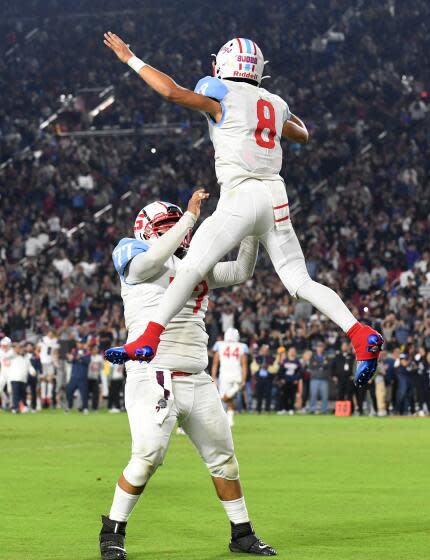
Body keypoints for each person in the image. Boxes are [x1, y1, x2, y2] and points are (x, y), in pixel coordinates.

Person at [103, 32, 383, 386]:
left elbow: (172, 91)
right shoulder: (274, 102)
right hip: (276, 197)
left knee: (191, 266)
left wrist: (131, 58)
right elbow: (302, 134)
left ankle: (149, 337)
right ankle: (359, 334)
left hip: (242, 193)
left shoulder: (217, 89)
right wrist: (270, 104)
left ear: (223, 65)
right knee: (300, 281)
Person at [99, 190, 275, 560]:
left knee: (224, 460)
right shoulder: (132, 252)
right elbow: (149, 265)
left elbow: (241, 271)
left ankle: (241, 533)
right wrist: (189, 219)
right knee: (148, 455)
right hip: (153, 372)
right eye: (165, 227)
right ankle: (113, 531)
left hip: (196, 375)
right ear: (147, 230)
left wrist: (252, 233)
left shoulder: (195, 263)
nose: (178, 235)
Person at [211, 328, 249, 427]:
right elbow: (244, 365)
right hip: (237, 376)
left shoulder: (219, 345)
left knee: (225, 398)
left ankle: (219, 409)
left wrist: (213, 376)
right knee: (230, 398)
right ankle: (230, 419)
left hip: (224, 375)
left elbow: (215, 363)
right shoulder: (242, 346)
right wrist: (244, 379)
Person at [8, 343, 35, 413]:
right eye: (20, 349)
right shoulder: (14, 355)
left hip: (23, 379)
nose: (21, 350)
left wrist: (33, 372)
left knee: (23, 394)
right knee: (15, 394)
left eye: (22, 349)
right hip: (15, 378)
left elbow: (30, 366)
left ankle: (24, 407)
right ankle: (15, 408)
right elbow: (9, 353)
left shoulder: (26, 357)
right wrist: (15, 347)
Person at [66, 339, 90, 413]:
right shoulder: (74, 351)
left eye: (80, 343)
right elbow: (70, 360)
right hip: (74, 377)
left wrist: (80, 358)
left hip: (82, 377)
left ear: (83, 344)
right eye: (78, 343)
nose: (78, 345)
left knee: (84, 394)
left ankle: (85, 408)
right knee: (69, 391)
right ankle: (69, 407)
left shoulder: (87, 352)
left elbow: (87, 361)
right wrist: (71, 358)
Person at [275, 346, 302, 415]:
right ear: (288, 352)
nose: (292, 353)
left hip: (293, 381)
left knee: (292, 396)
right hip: (285, 381)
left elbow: (299, 372)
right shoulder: (284, 361)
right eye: (291, 351)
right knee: (284, 395)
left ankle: (291, 409)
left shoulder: (297, 361)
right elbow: (281, 371)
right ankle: (283, 408)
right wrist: (282, 379)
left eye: (293, 351)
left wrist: (296, 379)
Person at [330, 341, 355, 409]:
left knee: (349, 394)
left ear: (347, 347)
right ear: (341, 347)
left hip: (349, 378)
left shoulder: (352, 356)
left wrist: (354, 375)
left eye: (345, 345)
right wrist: (333, 376)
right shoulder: (337, 356)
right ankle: (339, 409)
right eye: (343, 346)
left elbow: (356, 366)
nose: (344, 347)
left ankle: (350, 410)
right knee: (340, 394)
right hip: (340, 378)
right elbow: (332, 367)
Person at [308, 342, 330, 414]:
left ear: (323, 348)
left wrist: (318, 365)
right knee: (313, 394)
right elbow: (311, 366)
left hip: (324, 378)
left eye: (321, 347)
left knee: (324, 395)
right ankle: (312, 409)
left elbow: (328, 366)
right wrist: (322, 365)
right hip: (314, 378)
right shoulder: (313, 357)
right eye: (318, 347)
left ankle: (324, 410)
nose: (320, 348)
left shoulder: (326, 356)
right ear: (316, 348)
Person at [88, 345, 104, 411]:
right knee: (86, 392)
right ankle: (84, 406)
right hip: (88, 377)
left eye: (96, 349)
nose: (95, 351)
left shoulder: (100, 357)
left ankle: (95, 407)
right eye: (94, 349)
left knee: (96, 393)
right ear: (91, 350)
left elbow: (102, 367)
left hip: (96, 377)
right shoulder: (88, 357)